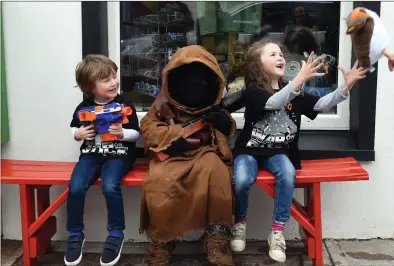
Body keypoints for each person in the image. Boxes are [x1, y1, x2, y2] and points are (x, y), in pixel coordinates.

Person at [230, 39, 368, 263]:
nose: (280, 58)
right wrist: (299, 80)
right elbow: (274, 102)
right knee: (242, 179)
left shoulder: (295, 93)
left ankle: (277, 232)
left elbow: (320, 105)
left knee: (288, 173)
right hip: (250, 151)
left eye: (281, 54)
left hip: (278, 153)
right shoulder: (253, 92)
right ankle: (240, 224)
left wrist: (346, 87)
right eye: (272, 54)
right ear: (258, 64)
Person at [139, 45, 236, 265]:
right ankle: (161, 242)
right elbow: (149, 129)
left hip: (206, 152)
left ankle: (217, 239)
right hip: (171, 156)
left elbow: (226, 131)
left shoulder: (213, 102)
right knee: (159, 183)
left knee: (218, 176)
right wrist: (176, 137)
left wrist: (222, 122)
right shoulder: (163, 103)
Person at [65, 54, 140, 266]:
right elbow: (73, 126)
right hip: (91, 154)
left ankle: (116, 233)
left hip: (119, 156)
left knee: (110, 186)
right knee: (76, 186)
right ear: (90, 86)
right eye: (106, 80)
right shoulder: (84, 107)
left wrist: (122, 134)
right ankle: (75, 233)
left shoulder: (124, 103)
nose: (114, 82)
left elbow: (136, 134)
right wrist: (77, 134)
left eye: (114, 76)